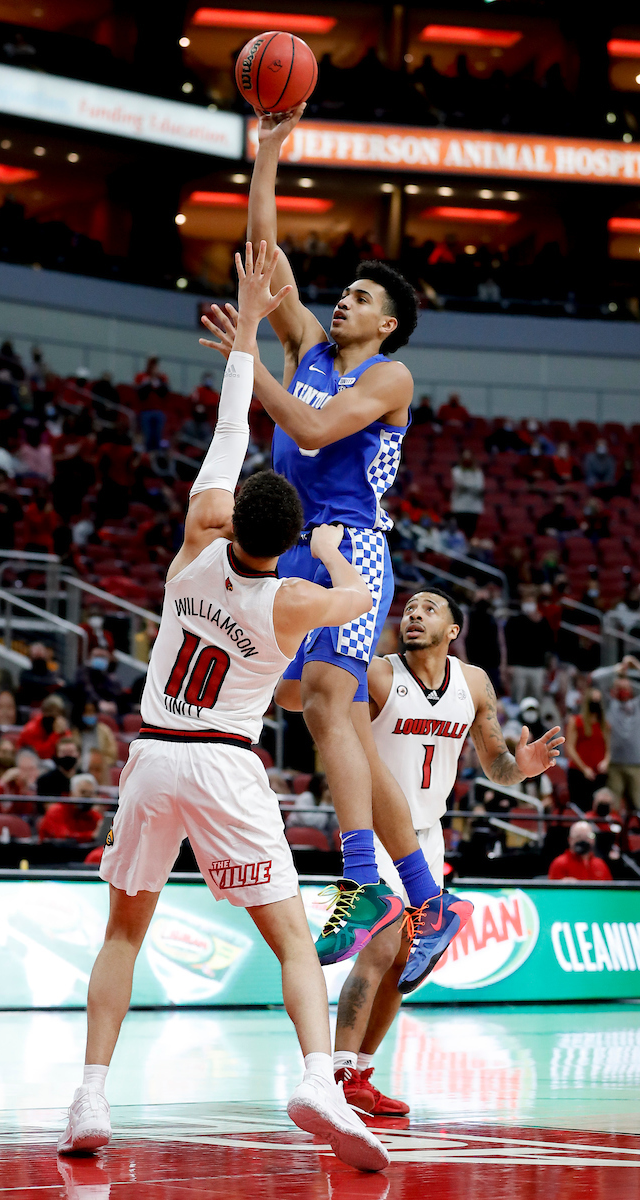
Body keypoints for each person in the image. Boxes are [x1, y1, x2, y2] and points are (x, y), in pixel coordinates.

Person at [59, 243, 391, 1172]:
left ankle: (90, 1096)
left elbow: (229, 430)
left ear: (234, 517)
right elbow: (361, 604)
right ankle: (318, 1079)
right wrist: (326, 555)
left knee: (124, 931)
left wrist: (246, 333)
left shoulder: (193, 551)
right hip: (225, 764)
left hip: (153, 755)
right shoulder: (291, 599)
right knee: (291, 938)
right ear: (281, 545)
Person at [203, 106, 452, 964]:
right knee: (321, 711)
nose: (342, 299)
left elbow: (312, 433)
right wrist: (268, 155)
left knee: (325, 710)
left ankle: (364, 882)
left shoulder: (391, 375)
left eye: (362, 297)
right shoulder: (308, 341)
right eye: (343, 290)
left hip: (350, 547)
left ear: (385, 323)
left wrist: (249, 365)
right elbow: (266, 260)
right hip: (288, 544)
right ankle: (425, 897)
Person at [329, 587, 562, 1116]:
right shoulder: (377, 676)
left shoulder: (473, 683)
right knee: (380, 949)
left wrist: (520, 767)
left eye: (428, 608)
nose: (413, 614)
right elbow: (342, 753)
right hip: (376, 833)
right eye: (408, 608)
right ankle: (334, 1075)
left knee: (404, 965)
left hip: (428, 838)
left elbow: (495, 764)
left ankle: (360, 1076)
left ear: (453, 630)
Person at [591, 655, 640, 812]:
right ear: (614, 690)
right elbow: (595, 679)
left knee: (638, 807)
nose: (624, 691)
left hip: (636, 763)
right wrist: (616, 669)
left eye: (626, 688)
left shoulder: (639, 705)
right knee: (613, 807)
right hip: (615, 763)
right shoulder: (609, 704)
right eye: (620, 688)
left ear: (632, 690)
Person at [565, 687, 610, 811]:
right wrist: (584, 769)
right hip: (579, 772)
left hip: (599, 773)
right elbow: (570, 747)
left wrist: (606, 761)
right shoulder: (576, 721)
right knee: (581, 807)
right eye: (593, 700)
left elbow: (609, 748)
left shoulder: (604, 724)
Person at [504, 593, 555, 702]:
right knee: (518, 698)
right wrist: (509, 664)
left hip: (537, 667)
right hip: (519, 667)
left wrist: (539, 622)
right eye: (527, 601)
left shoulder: (542, 622)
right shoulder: (514, 620)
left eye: (531, 602)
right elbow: (509, 644)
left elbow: (549, 643)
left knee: (537, 698)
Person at [40, 773, 101, 842]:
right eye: (83, 792)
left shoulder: (93, 815)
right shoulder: (56, 811)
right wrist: (90, 836)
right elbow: (63, 837)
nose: (87, 797)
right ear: (71, 793)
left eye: (91, 793)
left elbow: (102, 832)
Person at [548, 820, 612, 881]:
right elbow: (551, 891)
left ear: (593, 840)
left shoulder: (600, 864)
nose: (582, 841)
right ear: (570, 840)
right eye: (578, 837)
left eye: (586, 837)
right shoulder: (559, 864)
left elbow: (610, 890)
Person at [449, 448, 484, 539]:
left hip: (473, 508)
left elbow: (479, 487)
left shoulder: (477, 472)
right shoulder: (456, 471)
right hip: (459, 507)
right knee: (459, 532)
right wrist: (472, 486)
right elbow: (459, 484)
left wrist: (467, 486)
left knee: (470, 534)